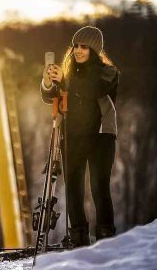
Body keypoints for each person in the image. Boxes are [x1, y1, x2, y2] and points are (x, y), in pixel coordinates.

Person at [41, 26, 119, 247]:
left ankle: (105, 239)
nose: (78, 50)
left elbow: (93, 89)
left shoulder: (108, 72)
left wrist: (66, 79)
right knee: (73, 188)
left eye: (84, 47)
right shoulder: (69, 74)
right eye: (75, 45)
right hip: (73, 136)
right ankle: (78, 237)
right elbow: (51, 97)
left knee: (99, 187)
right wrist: (48, 82)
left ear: (94, 50)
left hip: (100, 136)